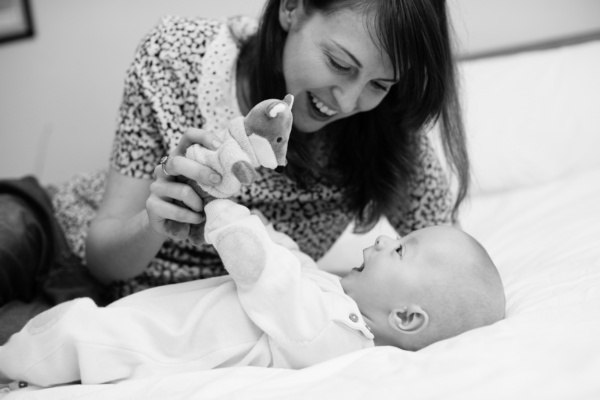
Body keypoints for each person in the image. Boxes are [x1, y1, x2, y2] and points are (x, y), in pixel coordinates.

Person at [0, 0, 469, 305]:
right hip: (55, 234)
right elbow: (101, 256)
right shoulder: (175, 58)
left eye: (380, 84)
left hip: (118, 317)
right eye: (339, 64)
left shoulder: (385, 132)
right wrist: (154, 222)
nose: (347, 102)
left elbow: (449, 273)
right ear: (292, 9)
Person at [0, 196, 505, 388]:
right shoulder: (337, 305)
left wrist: (225, 211)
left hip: (151, 341)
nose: (383, 238)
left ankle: (11, 370)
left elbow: (266, 271)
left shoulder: (335, 334)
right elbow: (296, 264)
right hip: (151, 316)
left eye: (400, 251)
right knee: (70, 328)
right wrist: (272, 231)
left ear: (408, 319)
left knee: (69, 337)